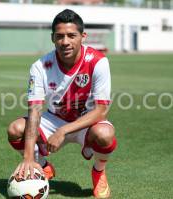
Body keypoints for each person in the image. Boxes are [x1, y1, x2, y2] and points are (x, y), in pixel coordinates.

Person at [7, 9, 117, 199]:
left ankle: (99, 172)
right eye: (59, 36)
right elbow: (34, 110)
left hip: (86, 122)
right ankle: (42, 167)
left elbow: (101, 110)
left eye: (71, 35)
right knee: (15, 129)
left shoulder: (98, 61)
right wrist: (28, 157)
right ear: (52, 38)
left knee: (105, 134)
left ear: (83, 36)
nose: (65, 41)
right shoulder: (40, 66)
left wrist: (64, 131)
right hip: (54, 119)